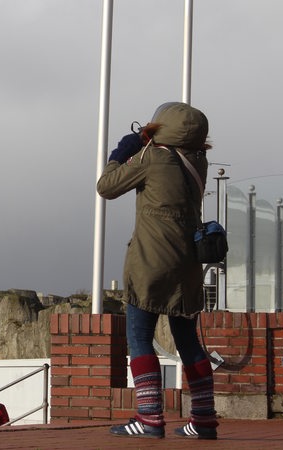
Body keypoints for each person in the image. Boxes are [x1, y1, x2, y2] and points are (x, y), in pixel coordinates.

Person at [97, 102, 218, 440]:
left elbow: (106, 186)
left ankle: (149, 418)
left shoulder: (153, 158)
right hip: (187, 264)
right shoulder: (198, 160)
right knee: (187, 340)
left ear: (159, 128)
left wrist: (124, 150)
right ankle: (204, 420)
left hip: (152, 261)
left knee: (138, 337)